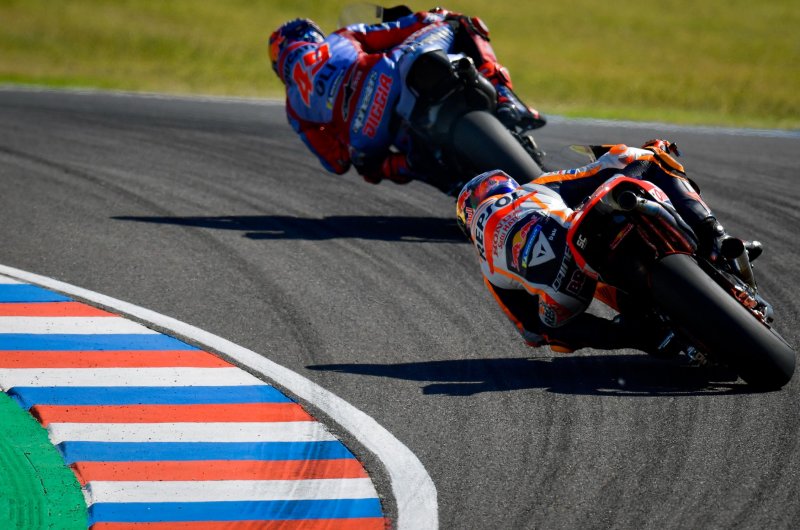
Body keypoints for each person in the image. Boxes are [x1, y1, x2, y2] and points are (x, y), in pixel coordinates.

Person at [455, 139, 762, 352]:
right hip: (579, 237)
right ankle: (716, 238)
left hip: (568, 291)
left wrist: (618, 335)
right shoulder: (532, 189)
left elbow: (531, 332)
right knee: (648, 161)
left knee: (554, 332)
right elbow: (603, 170)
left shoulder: (487, 265)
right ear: (504, 184)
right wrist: (646, 152)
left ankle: (647, 336)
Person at [268, 8, 545, 186]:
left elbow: (336, 162)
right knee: (459, 23)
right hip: (385, 76)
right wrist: (429, 16)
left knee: (369, 166)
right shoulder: (340, 38)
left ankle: (423, 168)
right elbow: (397, 29)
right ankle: (505, 97)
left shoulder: (294, 108)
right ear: (310, 36)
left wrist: (351, 135)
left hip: (364, 131)